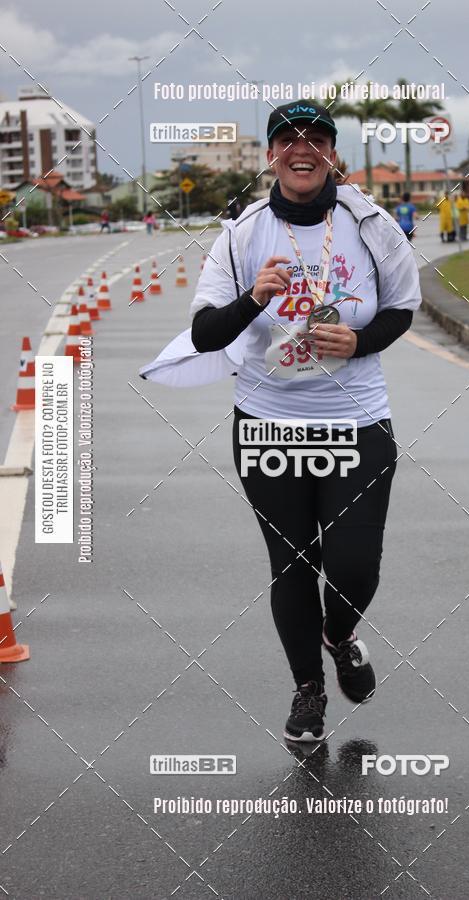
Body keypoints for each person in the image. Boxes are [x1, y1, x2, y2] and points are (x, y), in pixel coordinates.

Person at [142, 102, 421, 743]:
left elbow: (402, 308)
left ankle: (340, 632)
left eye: (317, 139)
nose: (303, 150)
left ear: (331, 152)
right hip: (269, 423)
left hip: (356, 422)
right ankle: (308, 692)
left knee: (354, 568)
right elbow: (206, 333)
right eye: (289, 140)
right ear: (270, 155)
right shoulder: (241, 236)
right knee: (293, 565)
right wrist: (256, 297)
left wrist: (361, 342)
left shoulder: (371, 225)